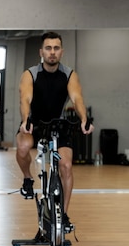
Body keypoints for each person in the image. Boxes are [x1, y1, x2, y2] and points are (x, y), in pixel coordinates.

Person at [16, 31, 94, 229]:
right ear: (41, 51)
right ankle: (27, 178)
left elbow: (77, 99)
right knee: (23, 147)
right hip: (35, 122)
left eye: (56, 48)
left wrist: (84, 118)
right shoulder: (31, 74)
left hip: (58, 126)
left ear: (61, 51)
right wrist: (25, 119)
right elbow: (25, 98)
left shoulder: (69, 74)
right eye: (48, 48)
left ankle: (64, 215)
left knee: (66, 165)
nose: (52, 52)